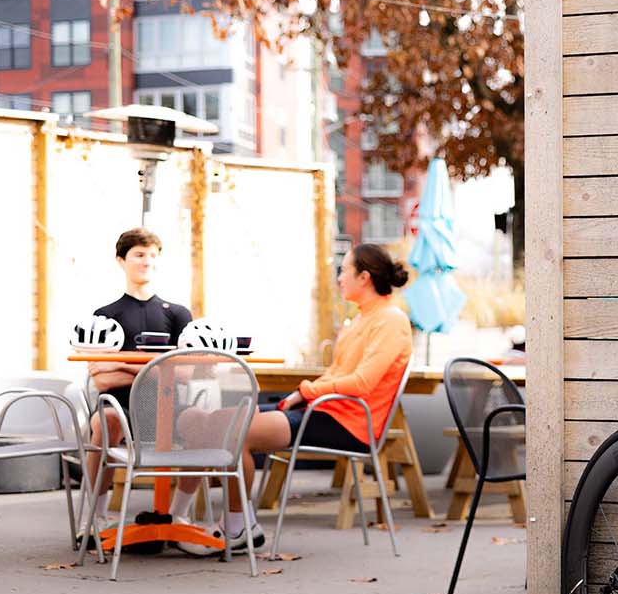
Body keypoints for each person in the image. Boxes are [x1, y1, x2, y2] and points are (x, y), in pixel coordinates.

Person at [184, 243, 413, 553]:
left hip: (349, 423)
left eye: (344, 270)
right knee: (211, 419)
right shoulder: (358, 321)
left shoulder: (390, 320)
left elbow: (362, 383)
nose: (339, 278)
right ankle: (177, 517)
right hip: (323, 410)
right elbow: (335, 374)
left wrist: (306, 392)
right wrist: (302, 394)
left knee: (236, 432)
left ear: (364, 277)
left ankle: (238, 528)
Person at [79, 228, 194, 550]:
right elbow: (102, 379)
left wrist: (125, 367)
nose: (146, 261)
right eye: (139, 255)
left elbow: (184, 373)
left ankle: (177, 517)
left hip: (170, 405)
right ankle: (95, 517)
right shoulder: (105, 315)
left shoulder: (178, 314)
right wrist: (157, 368)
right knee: (105, 424)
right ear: (122, 260)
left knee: (203, 423)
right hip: (120, 407)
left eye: (152, 255)